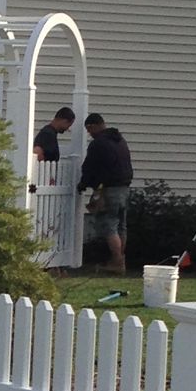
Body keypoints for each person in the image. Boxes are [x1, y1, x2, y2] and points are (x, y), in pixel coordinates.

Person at [78, 111, 134, 273]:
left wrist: (84, 183)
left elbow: (89, 167)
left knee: (109, 225)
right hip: (124, 187)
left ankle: (117, 262)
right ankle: (119, 259)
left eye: (89, 130)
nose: (89, 133)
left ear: (94, 126)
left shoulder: (98, 144)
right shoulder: (120, 140)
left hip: (109, 189)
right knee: (121, 226)